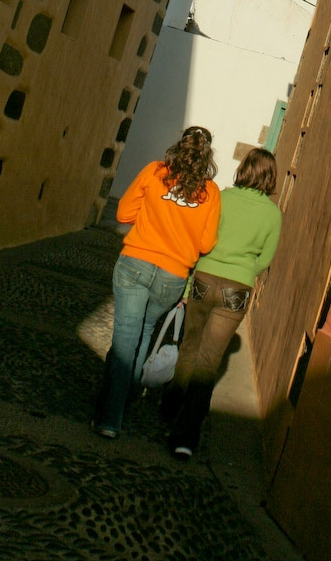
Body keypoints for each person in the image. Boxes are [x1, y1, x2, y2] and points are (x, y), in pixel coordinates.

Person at [93, 126, 220, 438]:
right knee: (144, 334)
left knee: (125, 339)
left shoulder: (155, 171)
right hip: (172, 276)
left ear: (180, 145)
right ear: (207, 155)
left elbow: (124, 213)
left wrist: (153, 214)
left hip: (136, 262)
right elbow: (206, 243)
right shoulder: (211, 192)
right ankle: (124, 401)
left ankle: (109, 418)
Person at [160, 146, 282, 459]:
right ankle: (185, 437)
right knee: (209, 361)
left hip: (204, 278)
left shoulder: (222, 198)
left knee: (189, 347)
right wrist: (242, 270)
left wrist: (193, 281)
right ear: (270, 177)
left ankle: (169, 406)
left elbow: (204, 238)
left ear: (244, 169)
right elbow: (265, 260)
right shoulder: (273, 214)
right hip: (237, 289)